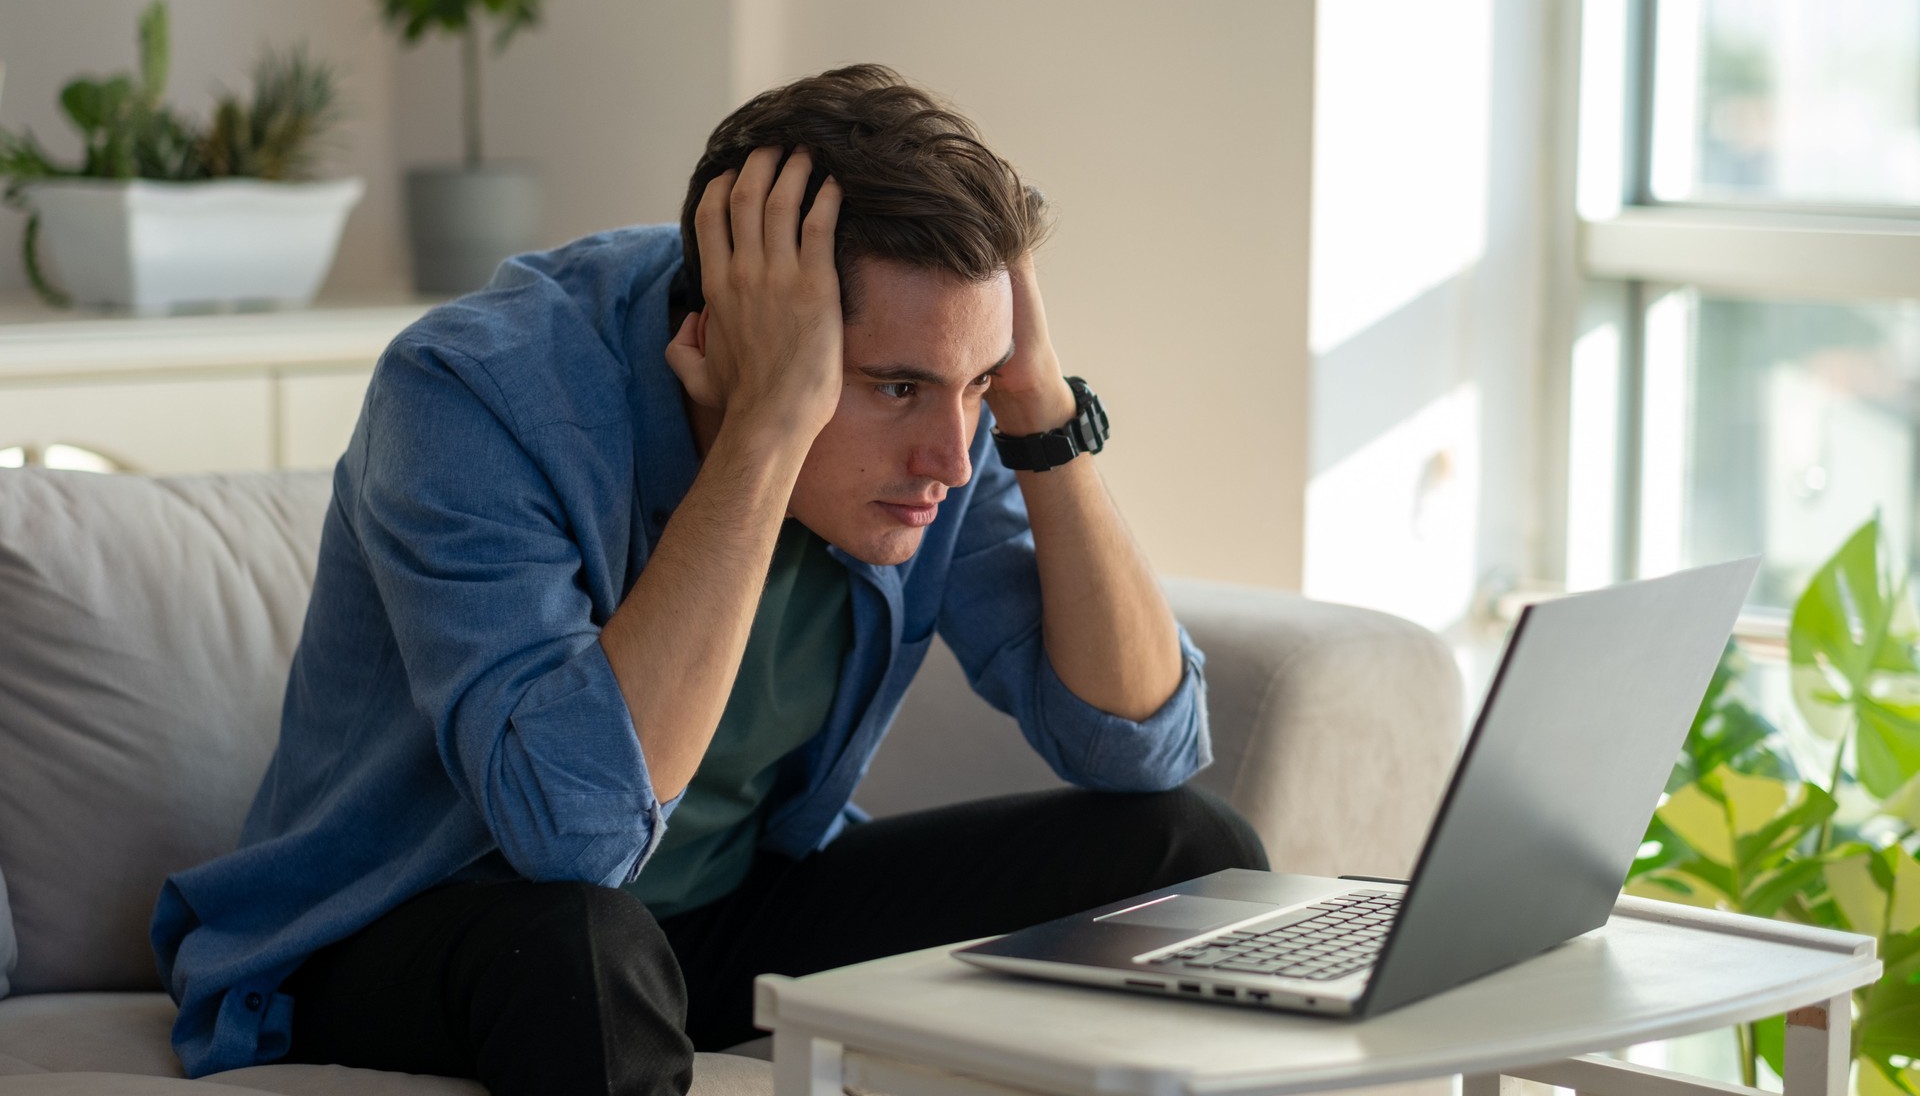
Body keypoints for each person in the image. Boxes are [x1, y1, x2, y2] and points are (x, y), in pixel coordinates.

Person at [151, 64, 1267, 1095]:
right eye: (894, 388)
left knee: (1187, 855)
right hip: (425, 922)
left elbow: (1139, 745)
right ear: (727, 333)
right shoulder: (469, 393)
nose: (950, 456)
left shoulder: (950, 428)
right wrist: (766, 430)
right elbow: (573, 836)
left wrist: (1037, 412)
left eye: (975, 384)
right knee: (582, 946)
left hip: (718, 914)